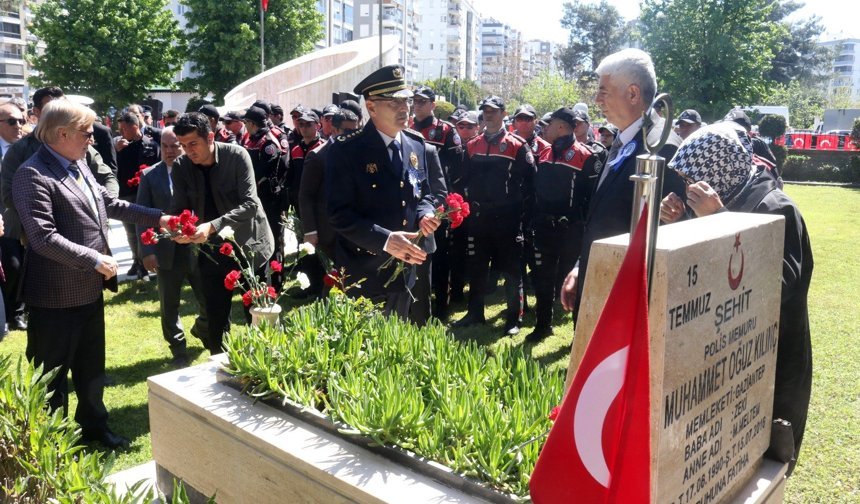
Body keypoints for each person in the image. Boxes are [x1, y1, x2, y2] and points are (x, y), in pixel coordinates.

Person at [12, 99, 173, 449]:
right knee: (51, 377)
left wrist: (160, 218)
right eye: (87, 132)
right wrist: (93, 259)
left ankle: (94, 428)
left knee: (90, 368)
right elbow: (42, 237)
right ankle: (51, 442)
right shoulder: (32, 175)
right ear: (61, 133)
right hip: (53, 296)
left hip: (87, 289)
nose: (93, 140)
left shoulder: (78, 164)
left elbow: (112, 204)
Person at [660, 121, 813, 475]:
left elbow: (772, 287)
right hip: (731, 358)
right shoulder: (731, 198)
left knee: (764, 472)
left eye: (692, 181)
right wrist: (681, 220)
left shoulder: (775, 207)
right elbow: (707, 275)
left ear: (720, 171)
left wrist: (718, 218)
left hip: (774, 365)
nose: (686, 190)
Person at [559, 48, 686, 319]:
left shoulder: (662, 147)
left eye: (604, 91)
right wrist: (582, 266)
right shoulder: (625, 138)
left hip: (624, 302)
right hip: (599, 281)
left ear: (632, 93)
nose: (596, 99)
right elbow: (604, 217)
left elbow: (666, 235)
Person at [326, 64, 444, 319]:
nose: (404, 109)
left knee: (396, 345)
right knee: (362, 351)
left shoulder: (415, 144)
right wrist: (386, 240)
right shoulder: (346, 151)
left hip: (405, 269)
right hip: (363, 271)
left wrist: (425, 212)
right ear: (371, 107)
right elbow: (338, 214)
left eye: (407, 101)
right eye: (393, 102)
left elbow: (422, 190)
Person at [170, 112, 274, 355]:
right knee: (215, 319)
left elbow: (251, 205)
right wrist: (178, 229)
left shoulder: (237, 156)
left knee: (258, 317)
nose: (189, 151)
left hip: (249, 246)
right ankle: (219, 369)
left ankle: (267, 367)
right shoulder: (181, 165)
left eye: (193, 144)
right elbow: (179, 209)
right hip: (211, 251)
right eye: (183, 146)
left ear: (210, 137)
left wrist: (212, 226)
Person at [452, 95, 535, 336]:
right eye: (485, 110)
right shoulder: (472, 145)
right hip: (479, 217)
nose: (488, 114)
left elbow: (530, 184)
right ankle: (475, 313)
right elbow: (462, 180)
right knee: (477, 267)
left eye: (493, 110)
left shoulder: (517, 145)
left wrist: (525, 219)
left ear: (503, 112)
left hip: (507, 218)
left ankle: (513, 319)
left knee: (511, 270)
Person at [136, 126, 209, 368]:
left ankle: (202, 328)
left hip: (196, 248)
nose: (169, 151)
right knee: (169, 304)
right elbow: (142, 216)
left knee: (207, 297)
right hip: (167, 251)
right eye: (165, 146)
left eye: (174, 146)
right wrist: (147, 252)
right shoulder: (149, 176)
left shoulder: (196, 170)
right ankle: (178, 348)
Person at [527, 107, 601, 342]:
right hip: (544, 227)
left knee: (573, 281)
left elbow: (593, 200)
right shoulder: (544, 153)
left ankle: (577, 336)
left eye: (548, 124)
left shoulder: (587, 156)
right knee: (542, 277)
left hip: (572, 230)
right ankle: (542, 325)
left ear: (561, 127)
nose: (543, 128)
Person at [411, 85, 461, 321]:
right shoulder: (406, 129)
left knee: (440, 257)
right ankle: (414, 306)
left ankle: (441, 307)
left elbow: (458, 166)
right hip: (413, 201)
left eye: (422, 101)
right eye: (415, 101)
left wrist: (450, 200)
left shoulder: (446, 131)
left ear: (433, 105)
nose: (417, 105)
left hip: (438, 204)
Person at [299, 109, 360, 296]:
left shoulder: (359, 154)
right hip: (329, 230)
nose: (353, 135)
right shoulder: (318, 156)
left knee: (351, 277)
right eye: (348, 131)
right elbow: (305, 195)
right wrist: (310, 231)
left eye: (356, 131)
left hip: (354, 227)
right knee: (334, 278)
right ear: (334, 129)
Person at [116, 112, 160, 278]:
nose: (121, 132)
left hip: (146, 194)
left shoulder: (151, 144)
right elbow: (117, 170)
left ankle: (146, 261)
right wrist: (117, 151)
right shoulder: (121, 147)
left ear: (134, 126)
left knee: (146, 229)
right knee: (131, 232)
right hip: (128, 194)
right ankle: (137, 260)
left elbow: (157, 166)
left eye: (124, 129)